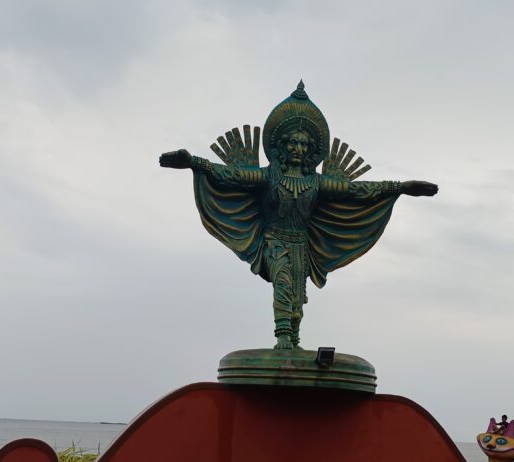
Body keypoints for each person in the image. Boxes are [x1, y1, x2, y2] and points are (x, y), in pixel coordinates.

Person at [160, 81, 438, 349]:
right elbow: (230, 175)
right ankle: (282, 336)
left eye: (304, 145)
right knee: (282, 283)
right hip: (274, 241)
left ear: (310, 151)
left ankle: (293, 338)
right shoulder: (268, 176)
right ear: (282, 147)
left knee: (297, 297)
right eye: (293, 143)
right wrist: (193, 162)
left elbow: (357, 191)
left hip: (301, 244)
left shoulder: (316, 182)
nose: (298, 149)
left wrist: (401, 187)